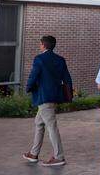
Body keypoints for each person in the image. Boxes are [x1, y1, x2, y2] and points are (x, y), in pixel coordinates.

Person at [22, 35, 73, 167]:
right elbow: (67, 78)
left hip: (44, 97)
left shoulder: (39, 59)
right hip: (54, 96)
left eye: (40, 44)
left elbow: (34, 75)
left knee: (51, 127)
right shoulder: (60, 60)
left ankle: (59, 156)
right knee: (39, 123)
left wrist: (28, 87)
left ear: (43, 45)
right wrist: (69, 95)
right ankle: (34, 154)